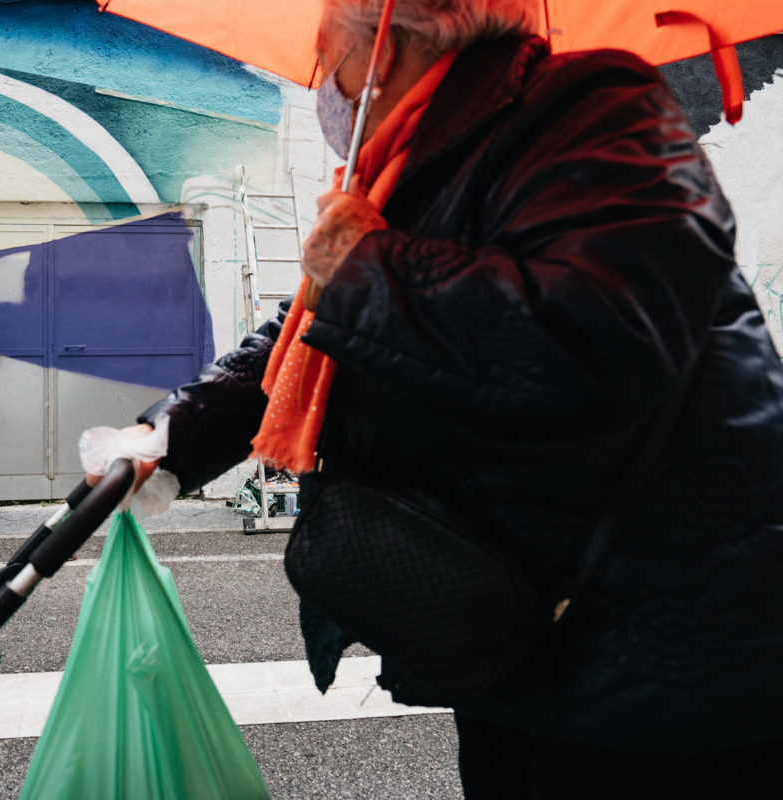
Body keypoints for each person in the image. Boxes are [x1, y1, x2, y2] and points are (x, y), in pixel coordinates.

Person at [87, 0, 783, 797]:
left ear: (385, 47)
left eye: (330, 58)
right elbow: (304, 333)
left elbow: (605, 339)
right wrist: (168, 440)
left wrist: (366, 268)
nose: (325, 88)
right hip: (526, 640)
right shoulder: (416, 170)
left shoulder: (597, 109)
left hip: (670, 670)